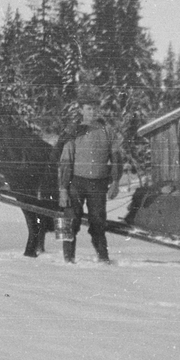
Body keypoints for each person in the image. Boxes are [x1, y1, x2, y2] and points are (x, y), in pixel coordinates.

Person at [57, 101, 123, 263]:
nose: (92, 112)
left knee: (99, 222)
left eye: (95, 108)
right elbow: (65, 162)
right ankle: (67, 259)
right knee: (69, 221)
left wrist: (115, 182)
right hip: (76, 183)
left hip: (98, 185)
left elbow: (116, 159)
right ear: (82, 110)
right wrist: (63, 189)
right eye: (88, 108)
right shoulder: (74, 131)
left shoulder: (108, 132)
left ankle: (103, 258)